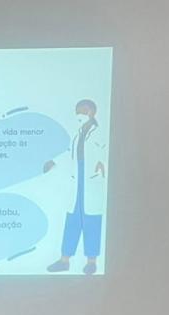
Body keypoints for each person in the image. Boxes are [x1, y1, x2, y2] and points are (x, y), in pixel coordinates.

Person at [44, 99, 108, 274]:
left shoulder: (100, 133)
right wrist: (53, 162)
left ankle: (91, 262)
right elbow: (69, 154)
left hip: (91, 180)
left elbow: (106, 151)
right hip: (77, 179)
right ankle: (64, 261)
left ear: (91, 112)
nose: (79, 114)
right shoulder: (77, 134)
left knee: (91, 221)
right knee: (73, 220)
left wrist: (102, 163)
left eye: (82, 111)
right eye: (77, 111)